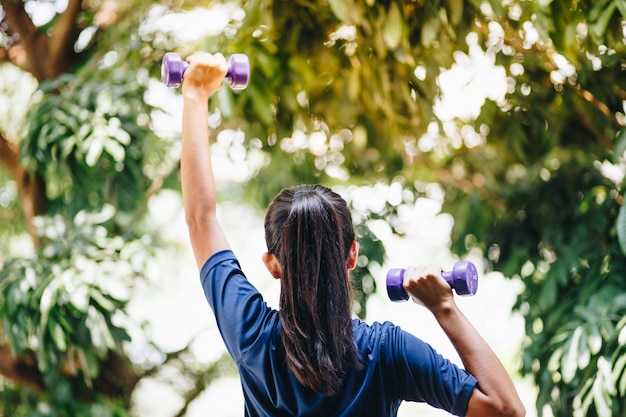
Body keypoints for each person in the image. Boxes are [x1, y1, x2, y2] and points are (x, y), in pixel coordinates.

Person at [179, 52, 526, 417]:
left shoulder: (251, 334)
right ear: (352, 255)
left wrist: (196, 94)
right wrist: (444, 307)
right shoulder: (387, 352)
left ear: (273, 264)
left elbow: (201, 219)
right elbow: (507, 411)